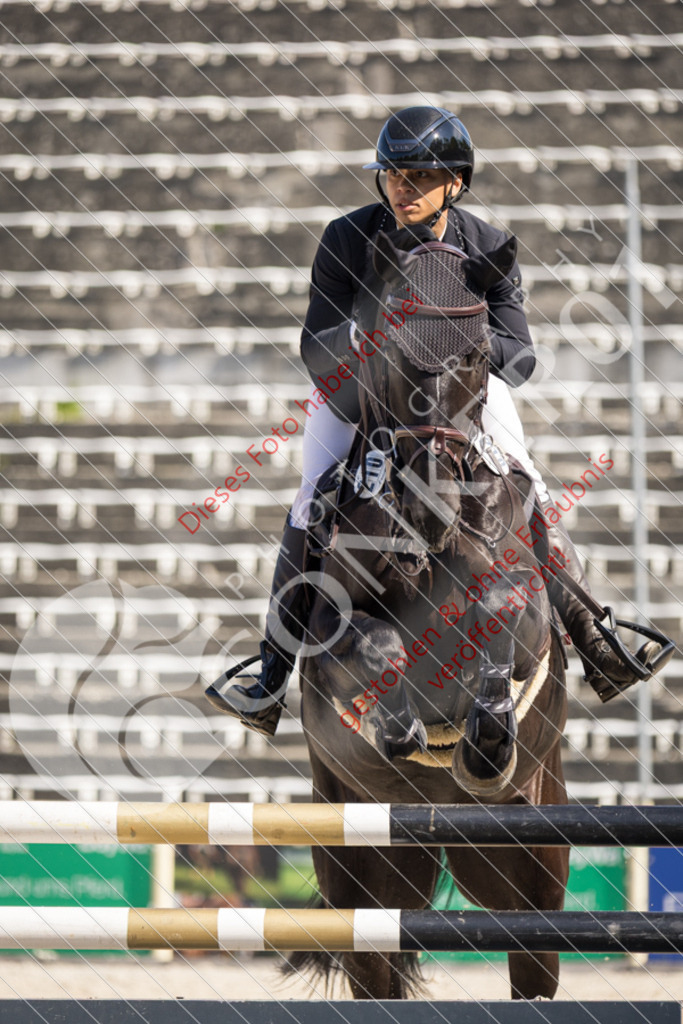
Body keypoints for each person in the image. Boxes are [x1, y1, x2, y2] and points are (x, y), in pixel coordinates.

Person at [210, 106, 663, 737]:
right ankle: (270, 674)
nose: (404, 187)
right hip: (367, 395)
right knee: (313, 497)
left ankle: (595, 640)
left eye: (421, 176)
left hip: (462, 397)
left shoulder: (484, 245)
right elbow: (317, 345)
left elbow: (522, 355)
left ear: (455, 182)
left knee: (528, 484)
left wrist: (461, 342)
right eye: (394, 174)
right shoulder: (347, 238)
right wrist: (376, 347)